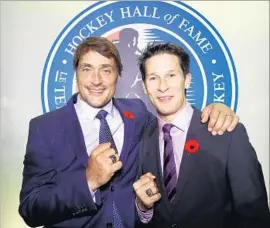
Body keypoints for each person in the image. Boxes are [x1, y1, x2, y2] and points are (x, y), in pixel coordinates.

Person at [19, 37, 239, 228]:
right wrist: (89, 181)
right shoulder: (44, 127)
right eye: (87, 69)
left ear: (118, 77)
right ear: (76, 74)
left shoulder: (137, 113)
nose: (96, 80)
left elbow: (174, 124)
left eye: (106, 70)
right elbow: (30, 208)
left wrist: (215, 109)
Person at [133, 42, 270, 228]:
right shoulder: (143, 139)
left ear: (187, 79)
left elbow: (254, 214)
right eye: (153, 78)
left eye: (171, 75)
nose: (162, 87)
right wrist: (143, 208)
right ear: (144, 86)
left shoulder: (227, 132)